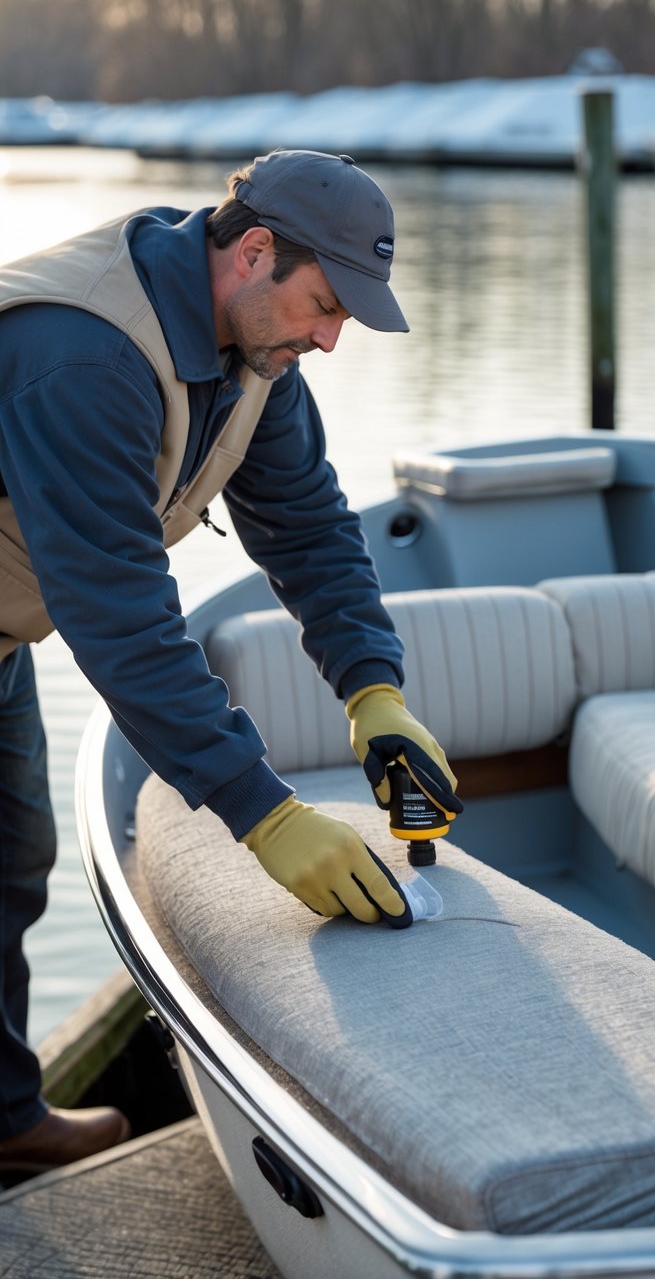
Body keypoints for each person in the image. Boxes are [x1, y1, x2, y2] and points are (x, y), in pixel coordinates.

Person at [0, 149, 461, 1178]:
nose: (331, 337)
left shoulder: (254, 352)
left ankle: (3, 1119)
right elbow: (121, 619)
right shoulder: (84, 356)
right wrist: (263, 810)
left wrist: (372, 689)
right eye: (327, 304)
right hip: (48, 609)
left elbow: (307, 529)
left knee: (10, 863)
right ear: (254, 251)